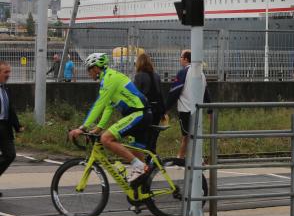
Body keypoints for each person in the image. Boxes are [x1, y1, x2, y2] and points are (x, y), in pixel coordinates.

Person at [67, 53, 153, 184]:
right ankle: (141, 196)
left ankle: (140, 167)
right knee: (135, 151)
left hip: (139, 113)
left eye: (89, 69)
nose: (88, 73)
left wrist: (82, 128)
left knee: (106, 138)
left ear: (96, 68)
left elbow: (99, 104)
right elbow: (108, 107)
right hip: (141, 114)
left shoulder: (110, 78)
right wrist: (98, 128)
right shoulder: (108, 78)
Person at [165, 49, 209, 160]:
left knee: (187, 136)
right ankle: (192, 158)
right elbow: (206, 93)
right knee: (192, 136)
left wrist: (165, 109)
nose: (179, 60)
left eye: (180, 57)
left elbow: (174, 92)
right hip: (197, 110)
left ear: (185, 59)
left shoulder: (183, 73)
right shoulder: (201, 73)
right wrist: (210, 110)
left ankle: (183, 159)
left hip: (186, 110)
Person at [133, 53, 166, 150]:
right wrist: (163, 111)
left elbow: (136, 95)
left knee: (143, 136)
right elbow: (160, 94)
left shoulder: (139, 76)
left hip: (146, 110)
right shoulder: (156, 76)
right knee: (153, 136)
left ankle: (144, 159)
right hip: (157, 110)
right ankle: (152, 158)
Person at [0, 61, 21, 196]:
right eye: (5, 72)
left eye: (9, 72)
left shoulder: (6, 89)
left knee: (10, 154)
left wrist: (18, 126)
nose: (8, 75)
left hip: (4, 128)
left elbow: (10, 110)